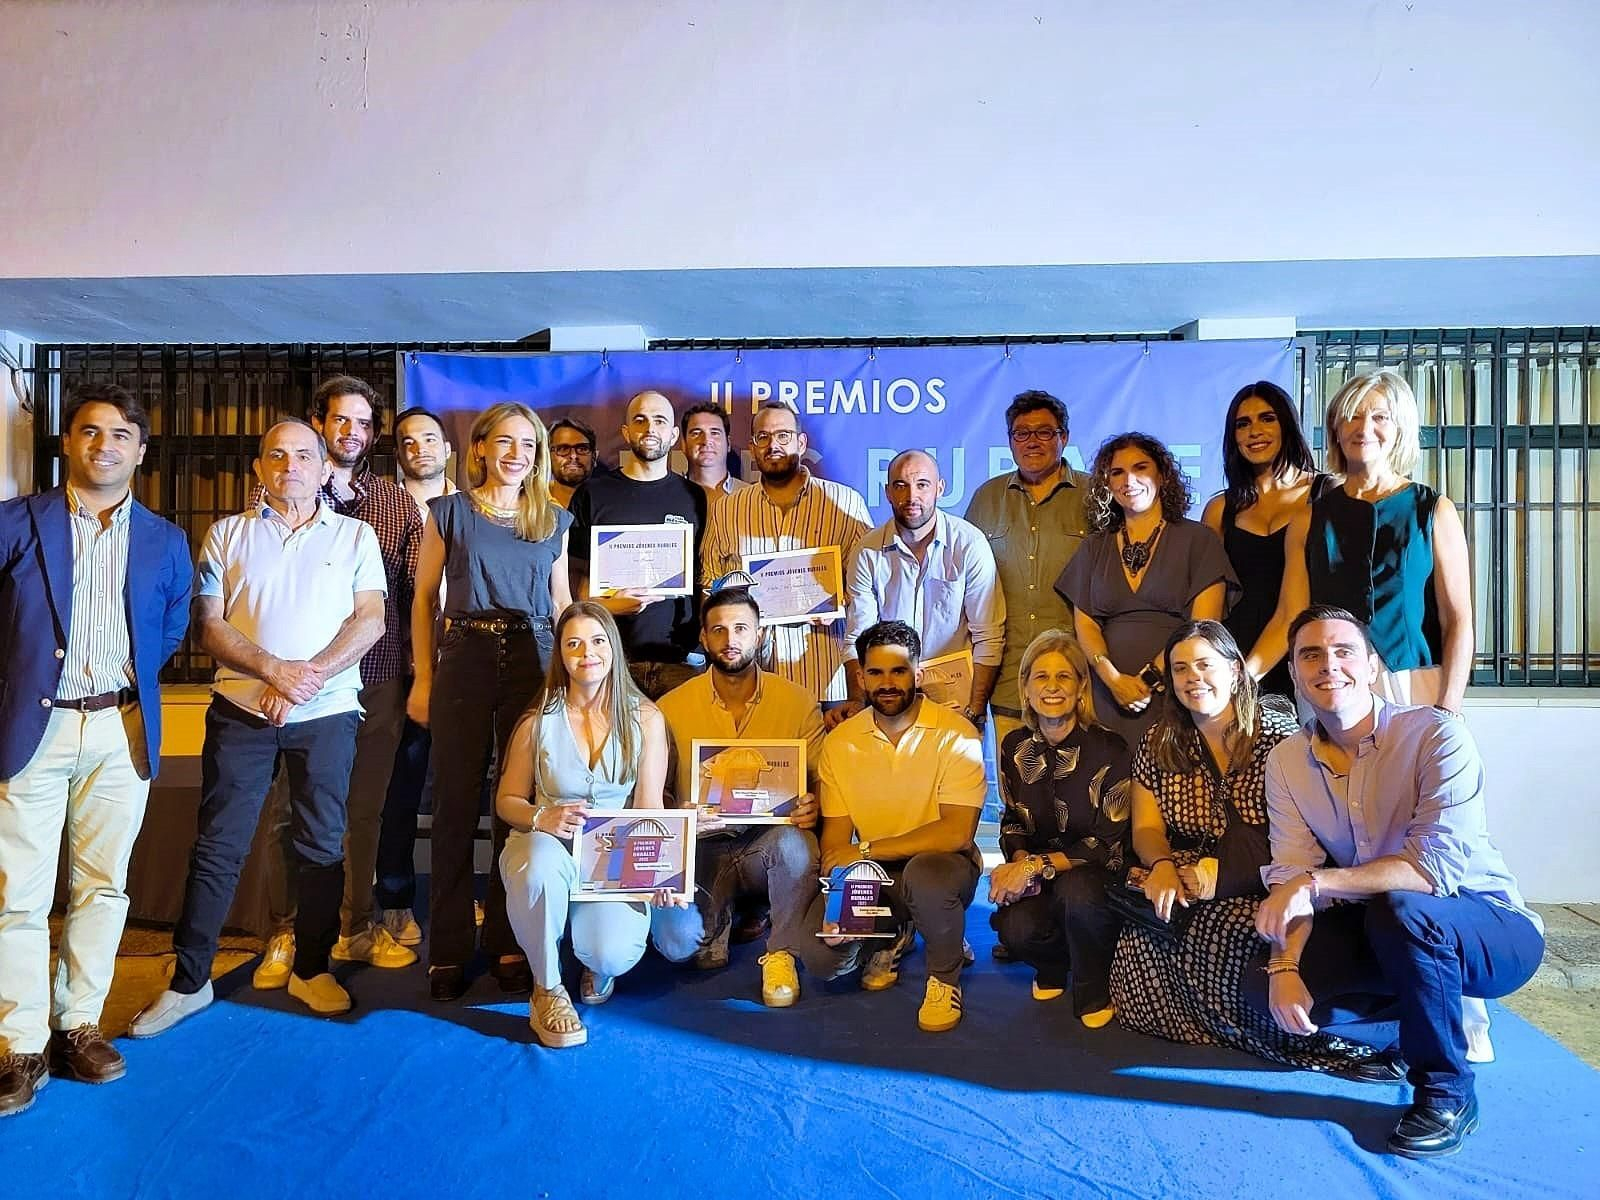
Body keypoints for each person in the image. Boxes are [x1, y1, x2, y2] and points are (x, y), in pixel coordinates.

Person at [1251, 606, 1544, 1159]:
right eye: (1310, 654)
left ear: (1372, 666)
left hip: (1491, 928)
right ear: (1292, 673)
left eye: (1343, 651)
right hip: (1385, 923)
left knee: (1403, 909)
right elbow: (1290, 872)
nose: (1327, 665)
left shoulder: (1436, 734)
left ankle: (1447, 1091)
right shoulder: (1286, 761)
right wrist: (1284, 966)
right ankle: (1406, 1038)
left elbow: (1430, 870)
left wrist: (1314, 882)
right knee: (1276, 985)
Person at [131, 420, 387, 1035]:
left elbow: (370, 619)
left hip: (325, 714)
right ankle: (190, 980)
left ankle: (312, 966)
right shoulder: (226, 535)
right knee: (219, 843)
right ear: (259, 469)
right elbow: (211, 626)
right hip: (241, 712)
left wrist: (307, 678)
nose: (290, 465)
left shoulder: (355, 535)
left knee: (322, 844)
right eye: (276, 455)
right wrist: (274, 671)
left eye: (304, 455)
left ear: (326, 468)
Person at [0, 384, 192, 1117]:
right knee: (17, 893)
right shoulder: (16, 523)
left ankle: (76, 1025)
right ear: (67, 443)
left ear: (140, 451)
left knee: (103, 886)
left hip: (120, 730)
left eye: (120, 434)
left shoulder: (166, 540)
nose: (104, 444)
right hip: (32, 727)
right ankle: (19, 1042)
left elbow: (169, 629)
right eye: (89, 431)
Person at [1108, 620, 1370, 1072]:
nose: (1194, 678)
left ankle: (1286, 1039)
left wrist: (1218, 876)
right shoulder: (1158, 739)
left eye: (1206, 665)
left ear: (1234, 670)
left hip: (1269, 874)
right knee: (1142, 942)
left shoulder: (1277, 735)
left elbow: (1301, 840)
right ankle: (1227, 1031)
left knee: (1227, 932)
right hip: (1185, 870)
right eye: (1181, 668)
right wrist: (1163, 866)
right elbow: (1146, 829)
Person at [252, 377, 423, 991]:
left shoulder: (396, 504)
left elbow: (412, 599)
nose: (350, 432)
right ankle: (288, 930)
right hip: (291, 685)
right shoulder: (276, 493)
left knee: (364, 811)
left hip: (375, 680)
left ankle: (355, 925)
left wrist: (416, 673)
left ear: (373, 436)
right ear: (317, 424)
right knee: (288, 813)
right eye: (339, 421)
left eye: (362, 424)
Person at [407, 402, 573, 1001]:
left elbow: (560, 609)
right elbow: (424, 600)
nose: (515, 455)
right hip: (464, 658)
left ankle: (509, 937)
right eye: (504, 442)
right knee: (454, 806)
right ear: (478, 448)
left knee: (517, 800)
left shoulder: (552, 520)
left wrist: (570, 687)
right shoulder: (448, 513)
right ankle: (448, 949)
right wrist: (423, 679)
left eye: (528, 446)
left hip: (532, 660)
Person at [496, 602, 681, 1048]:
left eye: (598, 641)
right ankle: (547, 988)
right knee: (536, 860)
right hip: (548, 848)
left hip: (612, 862)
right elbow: (507, 801)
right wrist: (543, 816)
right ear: (559, 653)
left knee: (611, 952)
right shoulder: (537, 721)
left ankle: (595, 961)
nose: (587, 653)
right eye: (573, 643)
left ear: (614, 648)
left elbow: (649, 806)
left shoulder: (647, 719)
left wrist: (656, 874)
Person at [806, 621, 986, 1033]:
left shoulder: (957, 734)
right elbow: (835, 844)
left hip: (942, 868)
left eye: (899, 671)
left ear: (918, 675)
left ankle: (943, 977)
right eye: (876, 672)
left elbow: (956, 834)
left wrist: (865, 850)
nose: (887, 683)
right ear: (860, 677)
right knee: (820, 957)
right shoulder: (840, 742)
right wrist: (839, 908)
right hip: (878, 875)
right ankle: (894, 933)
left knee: (925, 877)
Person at [650, 587, 827, 1005]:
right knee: (679, 946)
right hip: (702, 846)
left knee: (796, 846)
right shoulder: (669, 708)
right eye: (720, 630)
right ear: (704, 638)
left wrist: (813, 802)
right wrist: (679, 811)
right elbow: (654, 794)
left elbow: (824, 780)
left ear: (760, 635)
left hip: (767, 844)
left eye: (742, 629)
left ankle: (781, 951)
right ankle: (726, 916)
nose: (731, 640)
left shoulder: (798, 702)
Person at [1056, 432, 1238, 749]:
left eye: (1141, 468)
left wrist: (1148, 681)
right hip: (1105, 697)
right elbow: (1085, 625)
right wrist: (1113, 680)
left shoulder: (1199, 541)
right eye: (1117, 472)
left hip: (1178, 694)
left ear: (1163, 475)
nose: (1129, 480)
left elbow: (1203, 629)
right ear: (1107, 483)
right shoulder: (1093, 547)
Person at [988, 630, 1130, 1023]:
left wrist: (1034, 867)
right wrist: (1018, 863)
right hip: (1039, 873)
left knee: (1077, 892)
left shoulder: (1111, 748)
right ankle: (1053, 965)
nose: (1052, 687)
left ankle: (1092, 988)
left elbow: (1104, 844)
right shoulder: (1013, 746)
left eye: (1064, 677)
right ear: (1027, 688)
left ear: (1081, 687)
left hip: (1095, 876)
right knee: (1015, 928)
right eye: (1041, 677)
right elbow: (1013, 818)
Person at [700, 402, 871, 706]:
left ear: (801, 443)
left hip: (828, 677)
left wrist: (839, 601)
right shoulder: (727, 509)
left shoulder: (845, 503)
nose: (772, 445)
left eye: (783, 436)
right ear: (752, 447)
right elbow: (710, 586)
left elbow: (870, 587)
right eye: (763, 437)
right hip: (752, 678)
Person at [371, 405, 458, 947]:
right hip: (399, 668)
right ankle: (395, 901)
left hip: (472, 666)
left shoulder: (476, 505)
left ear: (449, 449)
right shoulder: (377, 506)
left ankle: (473, 896)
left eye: (429, 438)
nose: (418, 448)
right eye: (407, 441)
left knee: (468, 787)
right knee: (399, 788)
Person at [964, 390, 1094, 748]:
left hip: (1079, 678)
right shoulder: (986, 498)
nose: (1032, 442)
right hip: (1008, 679)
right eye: (1022, 433)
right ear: (1009, 441)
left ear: (1064, 437)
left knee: (1081, 793)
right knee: (1016, 797)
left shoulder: (1097, 494)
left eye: (1044, 432)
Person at [843, 449, 1004, 727]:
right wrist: (858, 702)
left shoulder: (969, 544)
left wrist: (974, 710)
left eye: (922, 485)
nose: (911, 497)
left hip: (958, 704)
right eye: (900, 485)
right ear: (887, 492)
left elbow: (988, 637)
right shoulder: (867, 552)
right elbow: (858, 638)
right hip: (891, 702)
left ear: (940, 488)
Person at [568, 390, 707, 699]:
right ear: (626, 432)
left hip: (681, 662)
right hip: (610, 660)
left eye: (659, 421)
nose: (649, 429)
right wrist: (607, 605)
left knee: (676, 748)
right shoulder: (592, 494)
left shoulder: (693, 497)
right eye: (640, 420)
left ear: (673, 436)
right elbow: (572, 578)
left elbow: (702, 576)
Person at [1201, 381, 1330, 699]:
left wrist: (1247, 677)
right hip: (1234, 660)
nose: (1254, 431)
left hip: (1305, 659)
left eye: (1267, 418)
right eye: (1242, 424)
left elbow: (1296, 609)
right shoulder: (1220, 509)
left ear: (1288, 424)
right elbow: (1208, 608)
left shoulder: (1328, 494)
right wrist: (1215, 670)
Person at [678, 401, 748, 509]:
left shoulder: (752, 498)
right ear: (684, 445)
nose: (706, 441)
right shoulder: (667, 496)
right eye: (696, 433)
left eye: (715, 433)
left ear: (728, 443)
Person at [548, 416, 600, 509]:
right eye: (563, 449)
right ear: (547, 456)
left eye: (582, 449)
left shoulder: (609, 502)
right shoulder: (530, 502)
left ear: (594, 456)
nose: (573, 456)